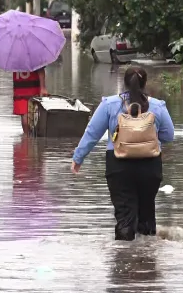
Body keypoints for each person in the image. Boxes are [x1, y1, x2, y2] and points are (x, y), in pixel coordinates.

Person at [71, 67, 174, 241]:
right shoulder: (157, 106)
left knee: (125, 215)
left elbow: (92, 133)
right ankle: (147, 260)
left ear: (124, 83)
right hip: (150, 166)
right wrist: (150, 138)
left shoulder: (109, 104)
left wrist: (78, 158)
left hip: (119, 166)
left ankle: (124, 258)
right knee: (146, 212)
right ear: (144, 83)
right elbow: (169, 135)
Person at [13, 67, 48, 135]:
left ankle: (30, 140)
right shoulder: (14, 58)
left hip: (33, 90)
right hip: (20, 91)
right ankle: (27, 140)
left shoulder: (34, 57)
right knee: (25, 120)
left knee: (34, 119)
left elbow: (41, 69)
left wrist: (43, 87)